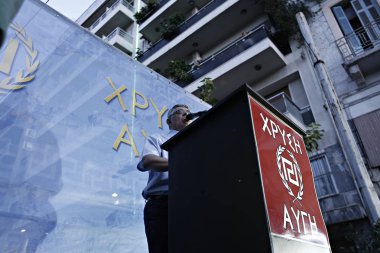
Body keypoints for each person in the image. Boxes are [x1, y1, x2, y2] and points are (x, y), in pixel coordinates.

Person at [137, 104, 191, 253]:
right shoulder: (158, 138)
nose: (186, 115)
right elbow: (149, 161)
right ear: (169, 121)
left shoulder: (196, 140)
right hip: (162, 204)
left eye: (188, 112)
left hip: (191, 204)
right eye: (180, 112)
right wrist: (183, 163)